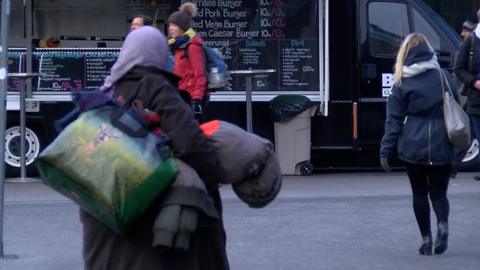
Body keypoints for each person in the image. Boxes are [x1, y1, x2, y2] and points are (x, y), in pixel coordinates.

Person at [82, 26, 230, 270]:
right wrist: (214, 174)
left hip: (104, 216)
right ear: (158, 54)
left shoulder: (107, 91)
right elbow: (190, 142)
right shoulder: (155, 85)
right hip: (150, 219)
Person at [380, 33, 457, 256]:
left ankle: (426, 240)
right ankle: (442, 224)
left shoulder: (401, 81)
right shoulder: (442, 76)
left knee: (419, 193)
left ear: (405, 53)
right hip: (442, 142)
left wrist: (386, 150)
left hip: (413, 145)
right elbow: (457, 108)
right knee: (439, 193)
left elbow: (393, 121)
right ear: (429, 51)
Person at [167, 2, 209, 122]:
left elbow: (199, 74)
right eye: (170, 25)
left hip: (191, 97)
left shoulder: (192, 46)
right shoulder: (177, 46)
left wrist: (197, 100)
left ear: (182, 27)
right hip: (181, 95)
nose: (170, 28)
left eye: (174, 25)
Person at [454, 9, 480, 181]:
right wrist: (474, 82)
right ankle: (451, 165)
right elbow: (458, 69)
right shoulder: (471, 42)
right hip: (477, 102)